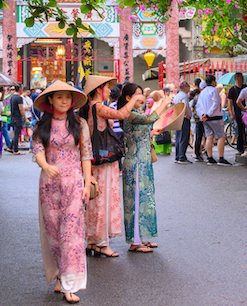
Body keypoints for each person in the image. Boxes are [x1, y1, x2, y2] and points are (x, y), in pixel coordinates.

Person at [31, 80, 93, 305]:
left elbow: (86, 154)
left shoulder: (80, 123)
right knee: (54, 234)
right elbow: (37, 151)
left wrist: (87, 183)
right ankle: (59, 275)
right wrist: (46, 166)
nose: (64, 100)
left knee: (72, 235)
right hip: (49, 186)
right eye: (59, 97)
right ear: (50, 100)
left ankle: (69, 285)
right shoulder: (41, 127)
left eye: (68, 96)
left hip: (74, 184)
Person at [78, 75, 142, 258]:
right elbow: (122, 114)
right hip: (104, 161)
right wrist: (134, 101)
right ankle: (101, 242)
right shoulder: (97, 106)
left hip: (95, 159)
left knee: (95, 200)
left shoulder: (90, 108)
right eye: (107, 88)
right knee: (103, 199)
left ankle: (93, 241)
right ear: (99, 89)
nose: (109, 91)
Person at [119, 83, 175, 252]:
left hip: (142, 162)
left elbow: (138, 132)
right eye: (138, 94)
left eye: (142, 94)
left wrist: (151, 133)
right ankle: (135, 242)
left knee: (143, 200)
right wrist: (164, 103)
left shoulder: (135, 113)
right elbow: (150, 119)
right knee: (136, 201)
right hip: (136, 162)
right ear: (128, 98)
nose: (142, 97)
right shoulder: (129, 113)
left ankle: (140, 238)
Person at [197, 75, 230, 166]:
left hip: (205, 118)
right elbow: (215, 103)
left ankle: (210, 157)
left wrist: (203, 115)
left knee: (209, 136)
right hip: (214, 117)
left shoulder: (202, 92)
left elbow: (198, 106)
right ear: (213, 82)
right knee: (221, 136)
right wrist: (208, 114)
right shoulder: (214, 90)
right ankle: (221, 157)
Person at [173, 81, 193, 163]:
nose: (189, 88)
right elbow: (185, 106)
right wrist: (187, 115)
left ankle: (177, 156)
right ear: (184, 87)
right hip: (183, 118)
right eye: (188, 86)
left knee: (178, 137)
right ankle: (182, 157)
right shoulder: (184, 95)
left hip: (177, 118)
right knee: (184, 137)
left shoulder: (177, 95)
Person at [226, 73, 245, 156]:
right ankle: (240, 148)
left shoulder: (245, 87)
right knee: (240, 130)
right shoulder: (232, 90)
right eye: (241, 78)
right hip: (238, 112)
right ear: (237, 79)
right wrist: (231, 113)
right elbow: (230, 102)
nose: (242, 80)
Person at [190, 79, 206, 162]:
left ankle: (197, 154)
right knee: (207, 136)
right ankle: (205, 151)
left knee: (198, 136)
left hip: (197, 119)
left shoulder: (196, 97)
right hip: (206, 118)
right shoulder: (206, 96)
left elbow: (192, 109)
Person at [8, 85, 26, 155]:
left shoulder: (12, 97)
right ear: (19, 88)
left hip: (13, 117)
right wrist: (25, 118)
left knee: (16, 133)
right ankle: (16, 150)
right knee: (17, 134)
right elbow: (21, 109)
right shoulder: (19, 97)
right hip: (18, 117)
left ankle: (10, 147)